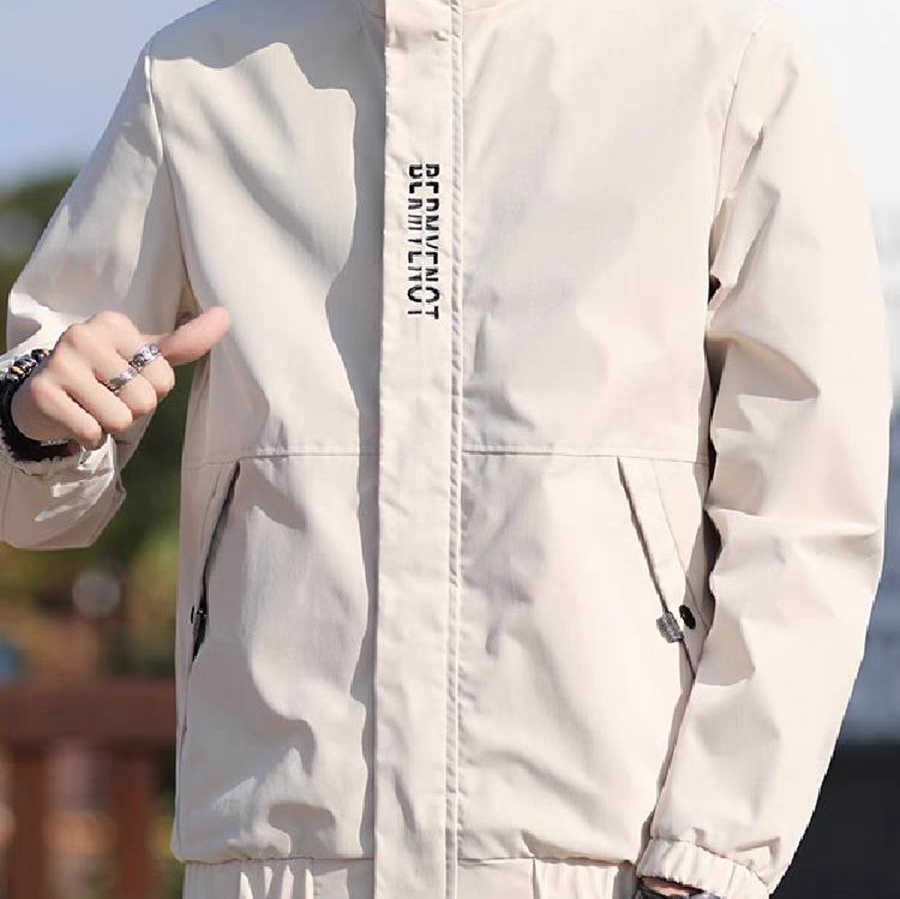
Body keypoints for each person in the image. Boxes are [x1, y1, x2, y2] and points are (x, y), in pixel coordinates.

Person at [0, 0, 892, 897]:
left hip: (607, 863)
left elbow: (806, 508)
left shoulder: (726, 63)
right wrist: (43, 417)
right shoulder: (199, 73)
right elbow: (27, 493)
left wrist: (710, 855)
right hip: (279, 858)